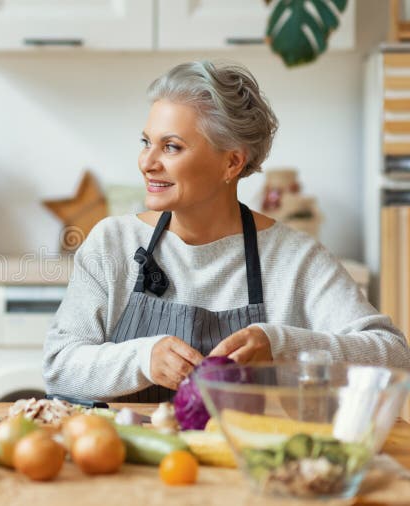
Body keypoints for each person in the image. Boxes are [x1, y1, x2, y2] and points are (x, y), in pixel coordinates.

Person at [43, 60, 410, 402]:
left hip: (250, 465)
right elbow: (59, 368)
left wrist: (279, 346)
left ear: (232, 161)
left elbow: (393, 355)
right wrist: (142, 359)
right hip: (131, 467)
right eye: (146, 142)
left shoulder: (295, 259)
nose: (147, 163)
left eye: (170, 146)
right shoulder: (113, 243)